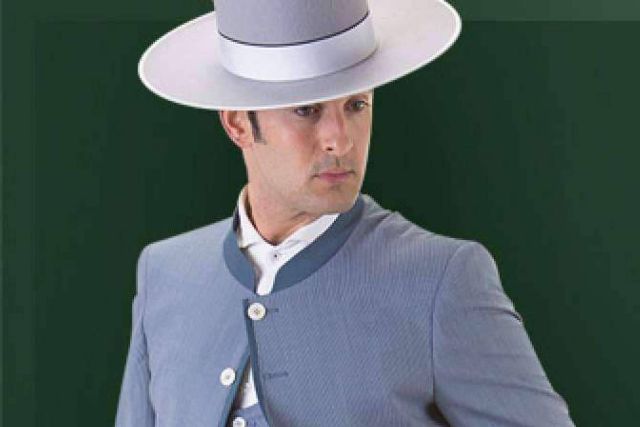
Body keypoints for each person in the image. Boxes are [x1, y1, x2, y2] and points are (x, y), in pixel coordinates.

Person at [116, 0, 575, 425]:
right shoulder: (164, 273)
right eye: (306, 110)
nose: (341, 139)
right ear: (237, 123)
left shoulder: (441, 278)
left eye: (356, 105)